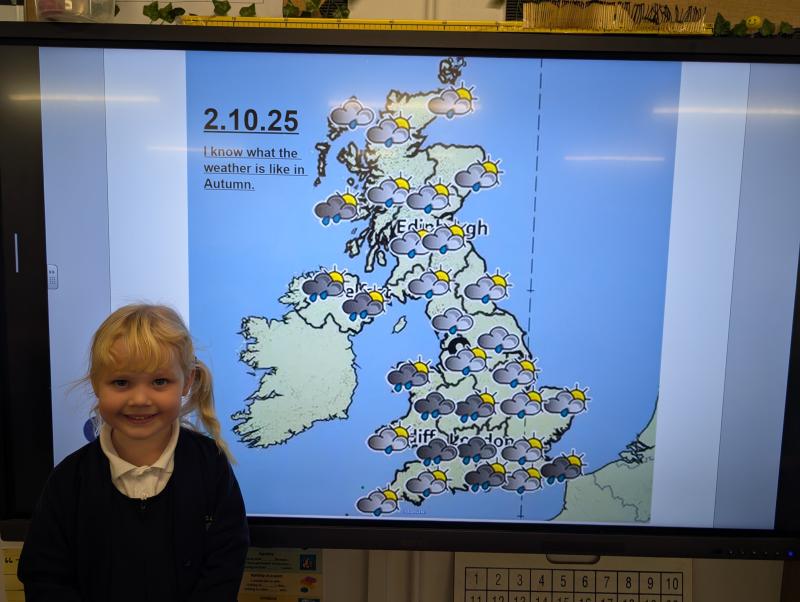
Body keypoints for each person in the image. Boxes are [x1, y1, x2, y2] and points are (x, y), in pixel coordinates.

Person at [18, 304, 249, 602]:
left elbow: (226, 562)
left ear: (187, 382)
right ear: (96, 384)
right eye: (121, 382)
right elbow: (44, 575)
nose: (140, 399)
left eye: (159, 382)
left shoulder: (210, 466)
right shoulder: (69, 480)